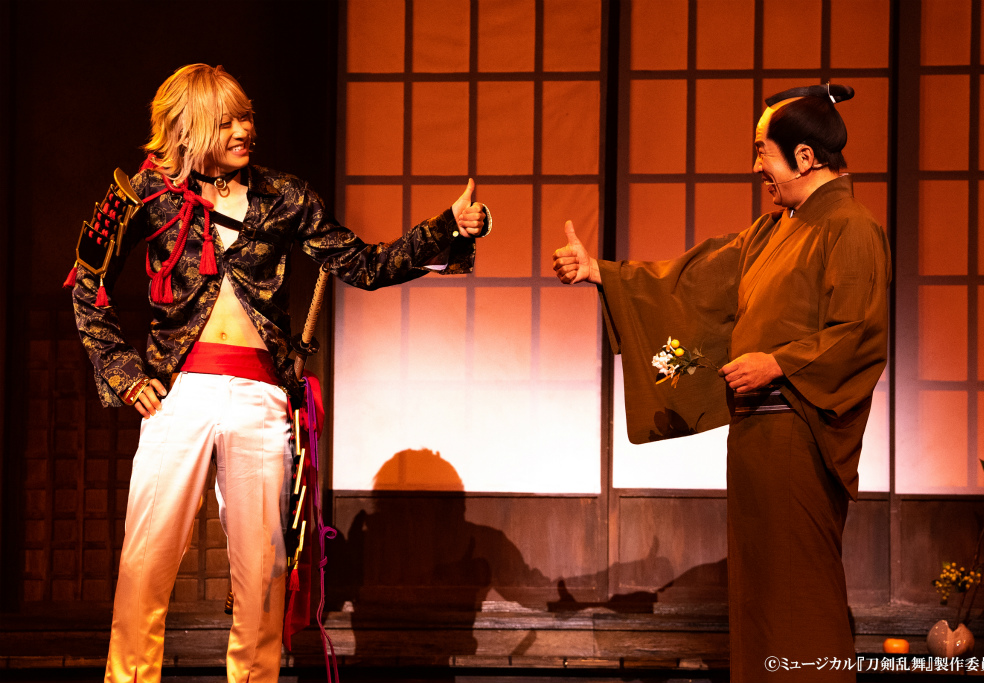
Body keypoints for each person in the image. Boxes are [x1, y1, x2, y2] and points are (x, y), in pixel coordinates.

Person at [69, 63, 491, 683]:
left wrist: (444, 228)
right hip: (175, 396)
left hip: (260, 399)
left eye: (247, 117)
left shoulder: (285, 196)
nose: (245, 130)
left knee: (263, 572)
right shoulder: (143, 193)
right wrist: (125, 373)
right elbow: (87, 285)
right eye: (227, 122)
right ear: (190, 127)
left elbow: (363, 264)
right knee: (144, 563)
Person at [552, 84, 890, 682]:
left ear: (804, 157)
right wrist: (600, 272)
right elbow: (694, 281)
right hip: (757, 437)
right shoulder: (774, 230)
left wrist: (777, 364)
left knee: (799, 585)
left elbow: (858, 332)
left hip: (797, 435)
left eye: (763, 152)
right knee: (760, 592)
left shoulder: (852, 227)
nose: (756, 167)